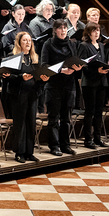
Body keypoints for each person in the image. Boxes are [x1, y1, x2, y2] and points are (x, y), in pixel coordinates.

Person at [40, 19, 82, 156]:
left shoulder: (71, 43)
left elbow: (75, 60)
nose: (63, 30)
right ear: (55, 30)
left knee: (66, 118)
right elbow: (44, 65)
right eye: (60, 28)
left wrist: (77, 67)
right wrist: (61, 70)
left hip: (69, 85)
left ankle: (65, 145)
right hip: (54, 85)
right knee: (53, 118)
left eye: (65, 28)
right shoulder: (48, 44)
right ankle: (54, 146)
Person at [5, 31, 43, 162]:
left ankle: (29, 152)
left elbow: (39, 75)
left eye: (29, 40)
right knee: (20, 124)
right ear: (19, 42)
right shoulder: (13, 56)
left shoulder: (34, 57)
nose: (28, 43)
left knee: (31, 123)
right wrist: (21, 77)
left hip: (32, 94)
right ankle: (19, 152)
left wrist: (44, 79)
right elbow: (7, 76)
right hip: (18, 94)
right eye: (25, 40)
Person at [79, 23, 109, 149]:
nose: (97, 33)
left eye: (98, 30)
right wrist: (97, 71)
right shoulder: (84, 45)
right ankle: (88, 139)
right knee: (90, 111)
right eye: (94, 30)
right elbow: (83, 65)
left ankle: (98, 138)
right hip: (90, 83)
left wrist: (107, 65)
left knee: (99, 111)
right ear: (88, 33)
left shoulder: (101, 45)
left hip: (101, 82)